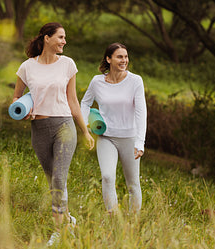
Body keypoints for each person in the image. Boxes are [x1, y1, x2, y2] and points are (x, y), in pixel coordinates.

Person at [11, 22, 95, 245]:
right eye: (60, 37)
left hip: (64, 125)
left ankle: (58, 232)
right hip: (39, 128)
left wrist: (85, 132)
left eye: (64, 38)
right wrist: (23, 111)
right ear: (46, 38)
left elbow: (73, 100)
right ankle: (68, 219)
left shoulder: (68, 64)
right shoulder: (27, 67)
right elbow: (16, 98)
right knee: (53, 183)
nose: (64, 42)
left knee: (59, 177)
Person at [80, 42, 147, 214]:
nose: (124, 60)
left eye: (125, 56)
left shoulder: (135, 81)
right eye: (119, 56)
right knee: (108, 177)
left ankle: (133, 223)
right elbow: (85, 103)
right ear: (108, 59)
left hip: (130, 139)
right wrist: (87, 122)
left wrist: (140, 142)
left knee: (133, 184)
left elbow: (141, 113)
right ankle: (113, 219)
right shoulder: (97, 81)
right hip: (106, 137)